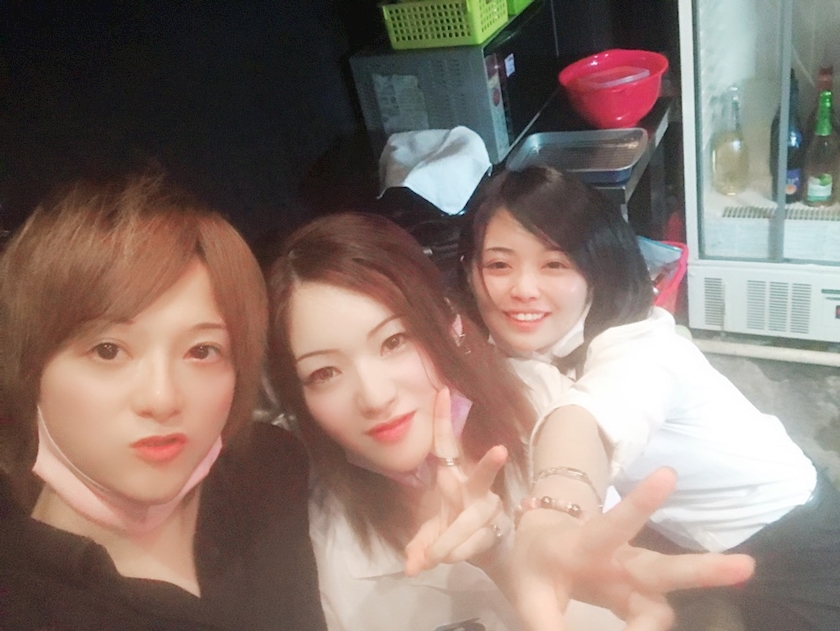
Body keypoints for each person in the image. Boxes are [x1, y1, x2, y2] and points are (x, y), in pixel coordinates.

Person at [265, 211, 755, 631]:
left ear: (448, 324)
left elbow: (576, 432)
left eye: (394, 342)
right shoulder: (329, 549)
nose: (374, 397)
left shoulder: (535, 397)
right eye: (324, 373)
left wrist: (522, 540)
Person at [458, 164, 840, 631]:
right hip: (687, 540)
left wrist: (555, 514)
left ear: (597, 271)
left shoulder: (645, 348)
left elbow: (583, 420)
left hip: (796, 536)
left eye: (555, 264)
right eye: (498, 265)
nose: (522, 289)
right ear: (470, 272)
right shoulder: (524, 351)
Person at [0, 174, 327, 631]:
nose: (162, 399)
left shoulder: (272, 471)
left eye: (202, 351)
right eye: (108, 350)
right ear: (29, 367)